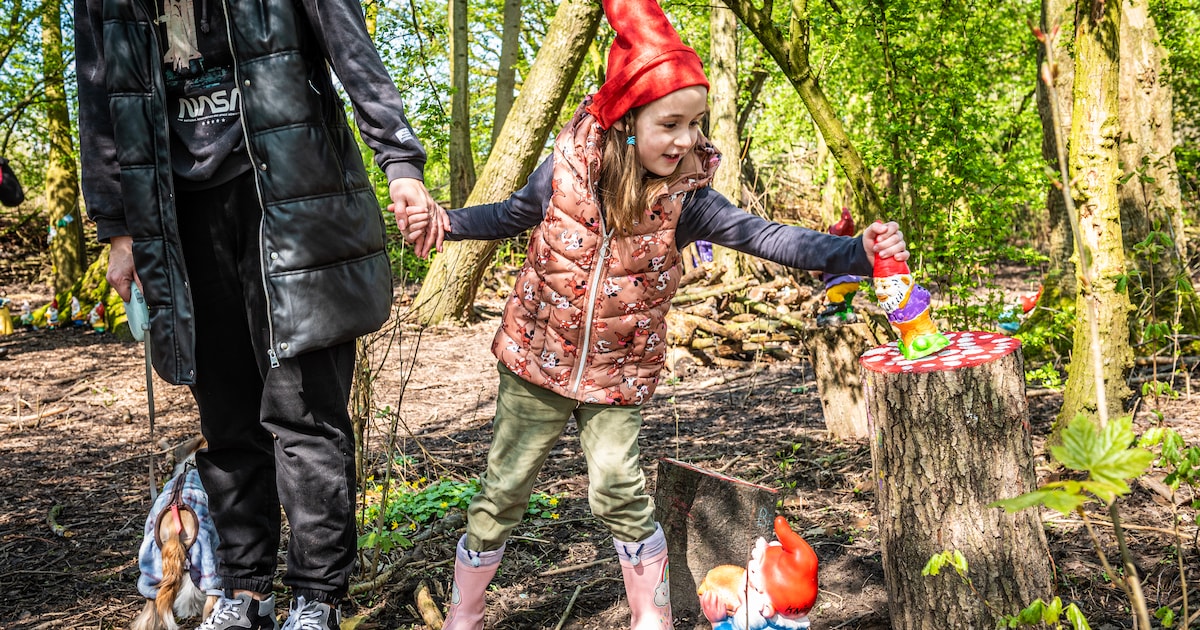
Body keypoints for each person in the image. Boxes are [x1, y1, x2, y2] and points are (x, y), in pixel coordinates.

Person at [396, 0, 908, 627]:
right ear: (628, 122)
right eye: (672, 124)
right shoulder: (566, 172)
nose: (688, 139)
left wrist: (856, 252)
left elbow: (766, 237)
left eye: (696, 123)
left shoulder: (687, 201)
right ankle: (463, 617)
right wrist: (446, 222)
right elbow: (509, 216)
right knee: (502, 492)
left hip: (618, 374)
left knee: (618, 489)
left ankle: (652, 619)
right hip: (535, 358)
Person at [75, 0, 437, 626]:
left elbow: (349, 46)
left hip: (292, 201)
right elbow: (101, 92)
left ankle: (316, 597)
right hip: (178, 214)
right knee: (225, 416)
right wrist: (117, 227)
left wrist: (398, 161)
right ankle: (245, 590)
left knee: (304, 412)